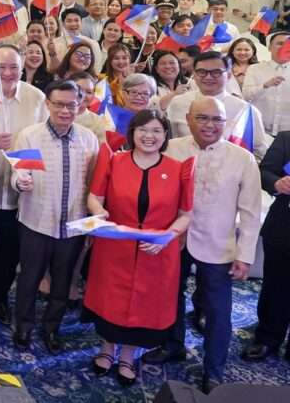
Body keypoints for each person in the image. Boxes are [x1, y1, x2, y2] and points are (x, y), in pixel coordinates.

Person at [146, 97, 262, 393]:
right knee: (168, 296)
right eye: (202, 118)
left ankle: (214, 370)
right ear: (188, 119)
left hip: (219, 244)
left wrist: (245, 255)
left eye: (216, 119)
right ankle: (172, 345)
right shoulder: (171, 149)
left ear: (225, 123)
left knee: (218, 311)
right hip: (174, 239)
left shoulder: (242, 158)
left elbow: (250, 212)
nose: (210, 125)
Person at [83, 110, 194, 386]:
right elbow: (94, 197)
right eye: (143, 130)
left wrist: (168, 236)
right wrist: (99, 212)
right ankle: (107, 349)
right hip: (114, 247)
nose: (149, 136)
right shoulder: (114, 160)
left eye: (156, 130)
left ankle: (128, 357)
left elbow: (186, 214)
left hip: (156, 250)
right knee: (109, 300)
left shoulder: (179, 169)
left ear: (165, 135)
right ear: (132, 132)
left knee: (144, 305)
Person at [11, 79, 100, 353]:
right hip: (36, 221)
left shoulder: (89, 138)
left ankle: (52, 327)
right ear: (48, 104)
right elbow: (19, 174)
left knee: (63, 281)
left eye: (71, 105)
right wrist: (20, 182)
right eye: (59, 104)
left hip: (73, 224)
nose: (65, 111)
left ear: (80, 105)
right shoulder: (29, 135)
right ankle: (23, 325)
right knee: (29, 278)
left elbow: (94, 183)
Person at [0, 47, 48, 325]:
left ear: (22, 67)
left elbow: (43, 139)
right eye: (1, 67)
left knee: (9, 250)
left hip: (20, 193)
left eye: (13, 67)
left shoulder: (36, 98)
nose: (7, 73)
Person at [242, 130, 290, 362]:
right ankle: (268, 337)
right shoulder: (287, 138)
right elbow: (263, 172)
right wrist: (277, 183)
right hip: (284, 227)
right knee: (276, 286)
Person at [166, 51, 268, 158]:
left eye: (216, 72)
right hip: (184, 165)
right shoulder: (178, 103)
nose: (208, 77)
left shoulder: (245, 110)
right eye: (202, 72)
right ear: (194, 75)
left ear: (228, 75)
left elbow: (259, 151)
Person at [242, 31, 290, 135]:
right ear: (269, 47)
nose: (284, 47)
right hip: (259, 129)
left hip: (287, 132)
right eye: (280, 43)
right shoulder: (255, 69)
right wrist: (265, 86)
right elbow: (246, 96)